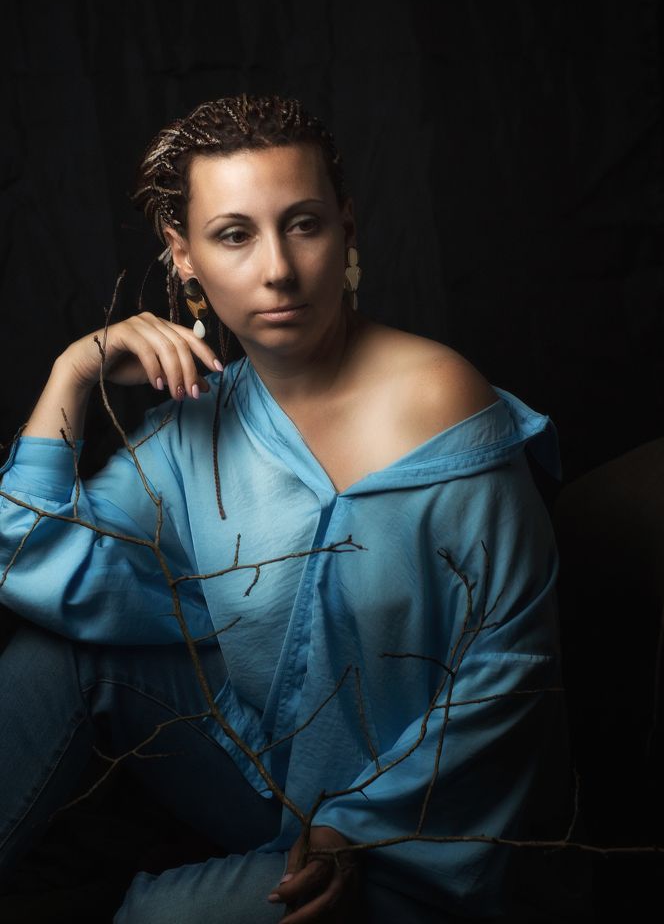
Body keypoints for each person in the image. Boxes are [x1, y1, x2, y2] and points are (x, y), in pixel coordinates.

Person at [0, 95, 572, 922]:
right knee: (56, 650)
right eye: (234, 234)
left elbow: (511, 664)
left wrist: (363, 827)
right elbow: (27, 558)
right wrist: (74, 373)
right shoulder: (196, 427)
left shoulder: (437, 399)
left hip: (418, 829)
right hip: (267, 783)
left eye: (302, 224)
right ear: (184, 256)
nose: (277, 269)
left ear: (345, 228)